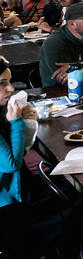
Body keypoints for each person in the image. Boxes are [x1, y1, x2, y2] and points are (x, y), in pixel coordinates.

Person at [1, 56, 39, 207]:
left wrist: (26, 122)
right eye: (2, 83)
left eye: (9, 82)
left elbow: (18, 154)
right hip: (6, 205)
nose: (11, 88)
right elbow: (12, 165)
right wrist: (17, 124)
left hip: (15, 188)